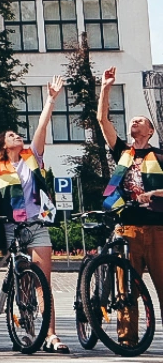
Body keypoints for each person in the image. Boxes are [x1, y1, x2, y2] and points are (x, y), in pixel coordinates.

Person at [0, 76, 65, 352]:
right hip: (10, 226)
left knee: (43, 282)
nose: (17, 136)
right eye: (11, 136)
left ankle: (50, 335)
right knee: (23, 282)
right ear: (4, 145)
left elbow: (42, 127)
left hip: (36, 224)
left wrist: (50, 99)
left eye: (17, 135)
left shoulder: (32, 157)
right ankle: (28, 332)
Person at [98, 66, 163, 338]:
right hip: (128, 229)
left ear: (150, 131)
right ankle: (127, 340)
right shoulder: (123, 152)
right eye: (132, 121)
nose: (134, 122)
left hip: (158, 229)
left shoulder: (160, 156)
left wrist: (154, 193)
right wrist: (105, 88)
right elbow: (102, 120)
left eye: (140, 121)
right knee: (126, 290)